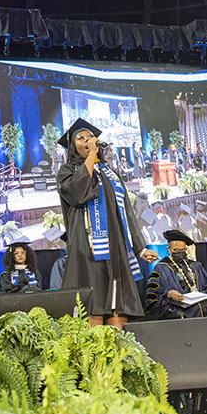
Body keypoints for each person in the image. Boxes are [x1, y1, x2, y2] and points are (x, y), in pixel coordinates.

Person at [56, 118, 159, 330]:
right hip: (89, 246)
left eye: (90, 137)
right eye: (80, 138)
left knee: (118, 307)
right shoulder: (68, 171)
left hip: (117, 246)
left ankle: (118, 356)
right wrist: (92, 156)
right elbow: (78, 194)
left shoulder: (111, 173)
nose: (87, 140)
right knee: (94, 304)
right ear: (72, 147)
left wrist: (140, 247)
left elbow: (127, 212)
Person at [146, 230, 207, 319]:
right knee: (197, 308)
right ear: (169, 249)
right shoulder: (161, 268)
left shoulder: (195, 266)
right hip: (174, 305)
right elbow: (152, 297)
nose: (180, 252)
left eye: (183, 249)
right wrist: (168, 294)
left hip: (198, 302)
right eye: (176, 250)